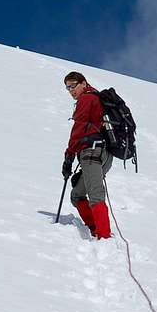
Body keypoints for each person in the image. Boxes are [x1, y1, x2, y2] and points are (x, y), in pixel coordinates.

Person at [61, 72, 113, 239]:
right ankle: (95, 229)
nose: (71, 90)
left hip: (91, 152)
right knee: (77, 195)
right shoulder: (96, 98)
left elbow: (79, 128)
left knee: (95, 194)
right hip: (104, 154)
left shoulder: (86, 98)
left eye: (73, 85)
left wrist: (69, 154)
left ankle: (104, 236)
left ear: (83, 83)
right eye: (68, 87)